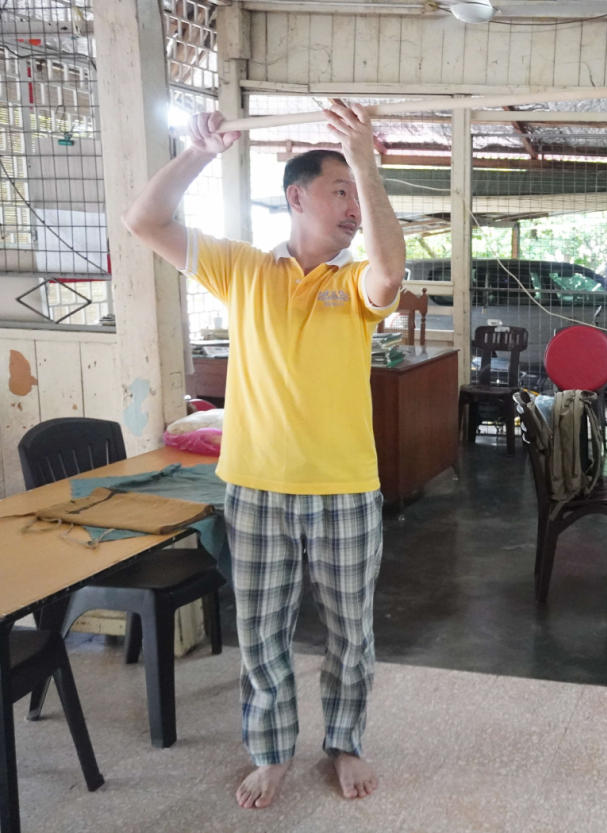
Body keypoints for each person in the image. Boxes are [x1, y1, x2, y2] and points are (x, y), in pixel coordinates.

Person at [121, 101, 404, 810]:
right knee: (262, 632)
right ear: (297, 197)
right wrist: (198, 154)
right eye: (338, 190)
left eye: (354, 192)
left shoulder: (353, 282)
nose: (349, 206)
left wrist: (365, 162)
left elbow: (391, 273)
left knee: (351, 633)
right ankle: (272, 751)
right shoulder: (242, 270)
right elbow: (145, 222)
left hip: (344, 488)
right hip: (254, 486)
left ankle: (344, 741)